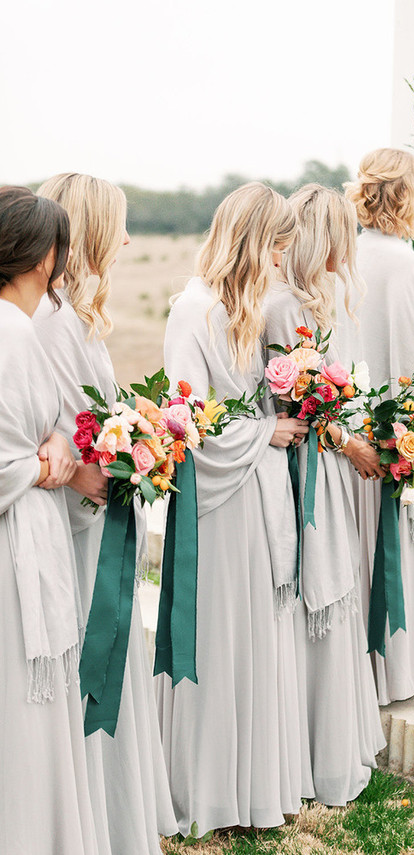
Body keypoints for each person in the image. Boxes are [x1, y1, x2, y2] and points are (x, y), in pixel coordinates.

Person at [155, 182, 306, 835]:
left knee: (255, 633)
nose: (279, 261)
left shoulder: (246, 307)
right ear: (251, 243)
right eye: (275, 247)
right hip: (219, 498)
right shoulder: (193, 310)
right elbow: (186, 420)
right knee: (219, 634)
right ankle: (209, 789)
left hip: (258, 492)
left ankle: (250, 786)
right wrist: (262, 431)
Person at [34, 173, 177, 855]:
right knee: (93, 665)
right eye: (116, 225)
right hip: (74, 533)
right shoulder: (54, 324)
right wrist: (116, 462)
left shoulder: (80, 321)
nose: (125, 239)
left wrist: (144, 438)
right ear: (88, 231)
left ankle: (114, 821)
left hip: (99, 526)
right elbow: (63, 434)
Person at [262, 184, 385, 806]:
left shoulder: (322, 300)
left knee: (336, 588)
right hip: (306, 467)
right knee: (316, 587)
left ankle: (330, 742)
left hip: (329, 463)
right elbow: (302, 407)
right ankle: (312, 749)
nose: (352, 244)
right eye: (344, 231)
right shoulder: (285, 308)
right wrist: (351, 442)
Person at [0, 186, 98, 854]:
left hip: (28, 525)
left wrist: (57, 444)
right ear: (47, 257)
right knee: (21, 710)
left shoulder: (20, 329)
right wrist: (39, 468)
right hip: (15, 543)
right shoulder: (11, 332)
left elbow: (38, 431)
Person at [346, 148, 414, 704]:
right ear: (408, 195)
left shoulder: (349, 255)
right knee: (397, 547)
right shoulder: (403, 262)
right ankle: (397, 669)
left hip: (352, 433)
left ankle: (364, 668)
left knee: (362, 551)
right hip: (391, 433)